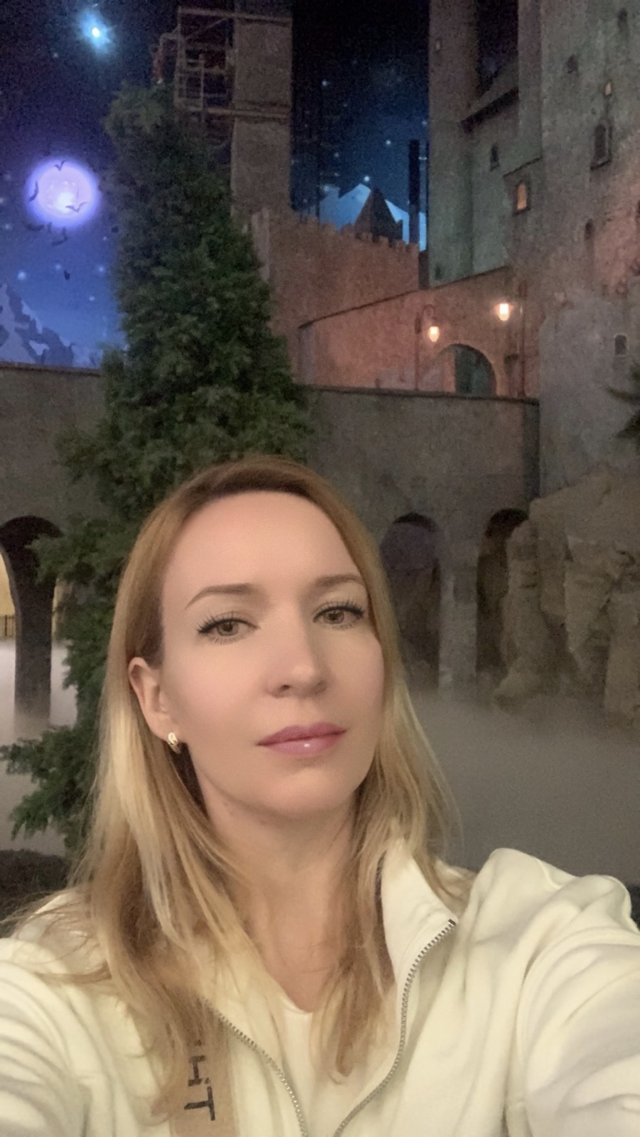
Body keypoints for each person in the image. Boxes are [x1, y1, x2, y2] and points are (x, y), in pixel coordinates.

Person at [0, 452, 639, 1137]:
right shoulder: (52, 987)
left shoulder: (540, 941)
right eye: (227, 624)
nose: (303, 667)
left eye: (337, 612)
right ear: (157, 699)